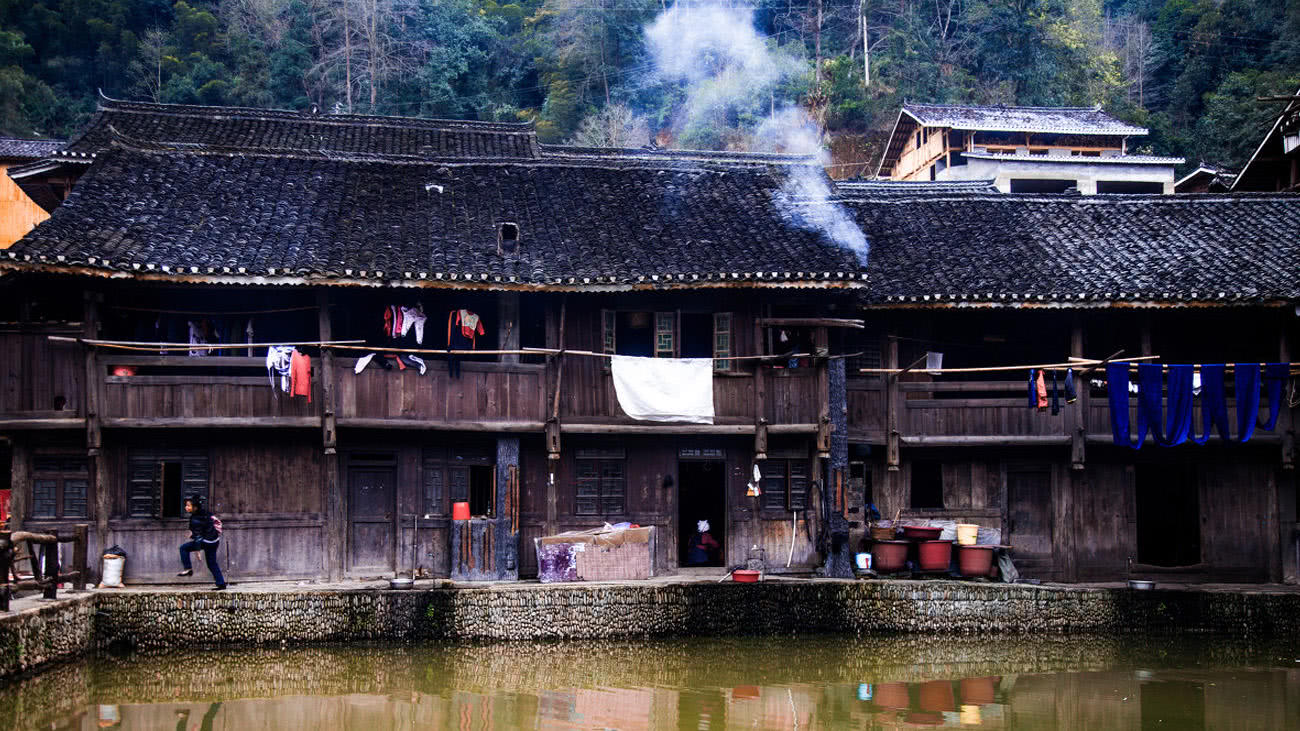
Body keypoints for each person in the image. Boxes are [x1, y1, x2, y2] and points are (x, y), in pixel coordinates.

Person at [178, 495, 225, 590]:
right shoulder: (206, 513)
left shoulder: (195, 519)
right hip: (214, 541)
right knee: (212, 563)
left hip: (205, 541)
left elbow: (198, 537)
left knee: (183, 548)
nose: (186, 507)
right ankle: (221, 583)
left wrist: (197, 550)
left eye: (188, 505)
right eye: (186, 505)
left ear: (195, 507)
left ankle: (188, 569)